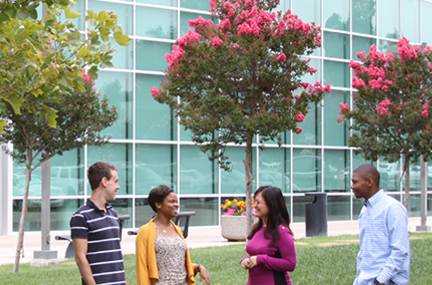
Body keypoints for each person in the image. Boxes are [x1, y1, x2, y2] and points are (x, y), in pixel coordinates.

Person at [136, 185, 211, 285]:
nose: (176, 205)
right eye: (172, 202)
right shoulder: (145, 231)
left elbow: (178, 263)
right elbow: (142, 269)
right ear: (158, 204)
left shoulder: (178, 230)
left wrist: (198, 267)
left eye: (177, 202)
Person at [351, 164, 410, 285]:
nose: (352, 186)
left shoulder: (392, 208)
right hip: (365, 280)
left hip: (386, 281)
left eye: (355, 182)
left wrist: (380, 281)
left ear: (369, 182)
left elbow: (400, 250)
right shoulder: (365, 210)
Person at [70, 162, 127, 285]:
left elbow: (115, 255)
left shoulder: (113, 214)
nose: (118, 187)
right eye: (116, 181)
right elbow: (80, 258)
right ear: (104, 181)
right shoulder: (81, 217)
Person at [240, 185, 296, 285]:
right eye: (254, 201)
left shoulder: (282, 232)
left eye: (258, 202)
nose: (255, 205)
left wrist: (261, 259)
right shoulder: (258, 228)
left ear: (271, 205)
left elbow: (290, 264)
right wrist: (246, 260)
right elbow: (257, 253)